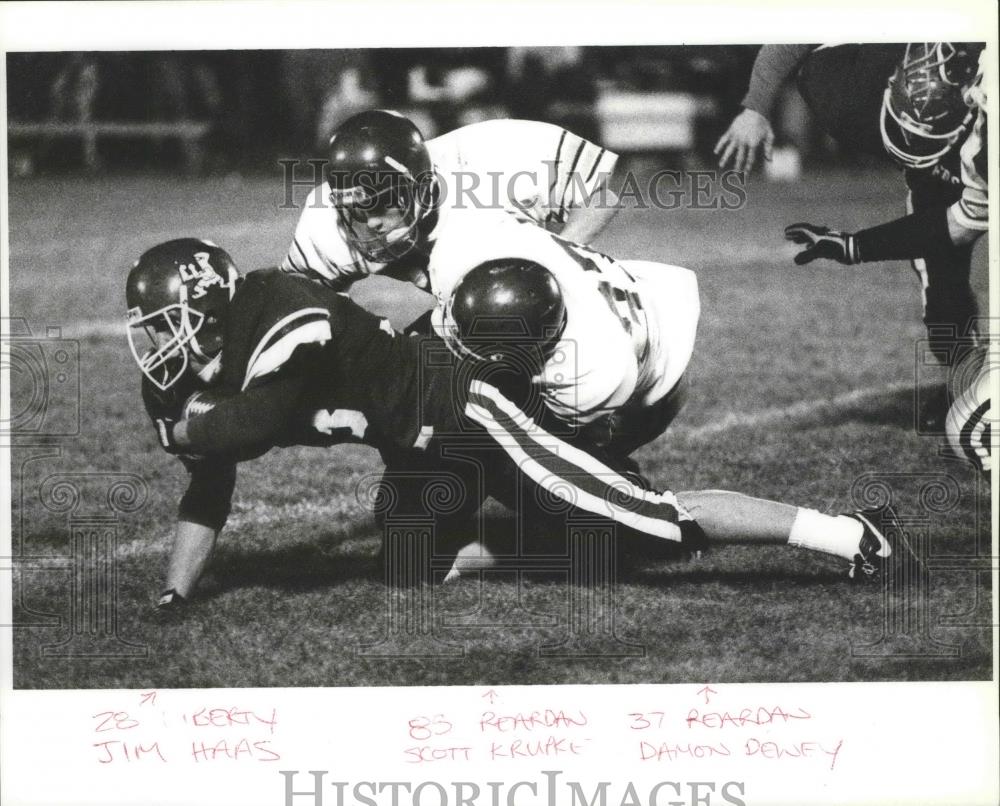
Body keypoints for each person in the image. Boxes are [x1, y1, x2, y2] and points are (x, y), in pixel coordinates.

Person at [127, 239, 913, 613]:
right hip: (414, 443)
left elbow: (246, 427)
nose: (156, 344)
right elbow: (212, 479)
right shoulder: (207, 374)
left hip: (467, 410)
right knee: (407, 559)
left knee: (654, 524)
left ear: (213, 307)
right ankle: (582, 543)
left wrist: (180, 432)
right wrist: (175, 590)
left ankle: (851, 535)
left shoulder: (275, 317)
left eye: (167, 324)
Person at [280, 109, 620, 292]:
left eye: (382, 203)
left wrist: (550, 265)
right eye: (356, 210)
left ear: (424, 186)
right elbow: (294, 300)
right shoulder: (326, 222)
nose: (371, 223)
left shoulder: (497, 159)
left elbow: (602, 197)